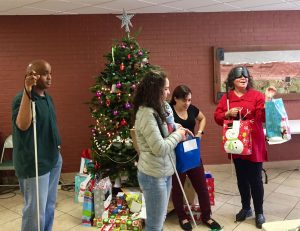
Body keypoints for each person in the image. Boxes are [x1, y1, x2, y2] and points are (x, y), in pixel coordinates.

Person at [214, 66, 276, 229]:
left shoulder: (256, 95)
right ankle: (246, 208)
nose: (243, 78)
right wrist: (227, 114)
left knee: (255, 180)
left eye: (246, 76)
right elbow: (217, 117)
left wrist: (268, 100)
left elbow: (262, 117)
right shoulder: (227, 97)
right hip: (237, 143)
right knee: (241, 179)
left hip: (254, 143)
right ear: (232, 80)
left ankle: (259, 212)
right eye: (239, 77)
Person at [132, 70, 187, 231]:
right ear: (154, 90)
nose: (169, 92)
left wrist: (177, 127)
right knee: (155, 225)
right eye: (165, 89)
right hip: (153, 176)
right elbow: (160, 148)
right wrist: (178, 135)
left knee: (160, 219)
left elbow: (165, 129)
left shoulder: (159, 108)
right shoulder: (146, 113)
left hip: (164, 171)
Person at [12, 60, 63, 231]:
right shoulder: (22, 99)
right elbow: (23, 125)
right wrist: (27, 91)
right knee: (35, 212)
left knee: (49, 206)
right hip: (35, 163)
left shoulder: (47, 97)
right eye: (45, 73)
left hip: (53, 159)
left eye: (50, 73)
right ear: (32, 76)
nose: (49, 77)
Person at [170, 85, 222, 231]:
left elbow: (203, 118)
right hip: (176, 154)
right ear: (175, 99)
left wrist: (200, 132)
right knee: (177, 188)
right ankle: (182, 217)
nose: (187, 103)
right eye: (184, 101)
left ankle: (207, 216)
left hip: (192, 152)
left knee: (202, 186)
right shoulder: (169, 110)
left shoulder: (192, 109)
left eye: (189, 100)